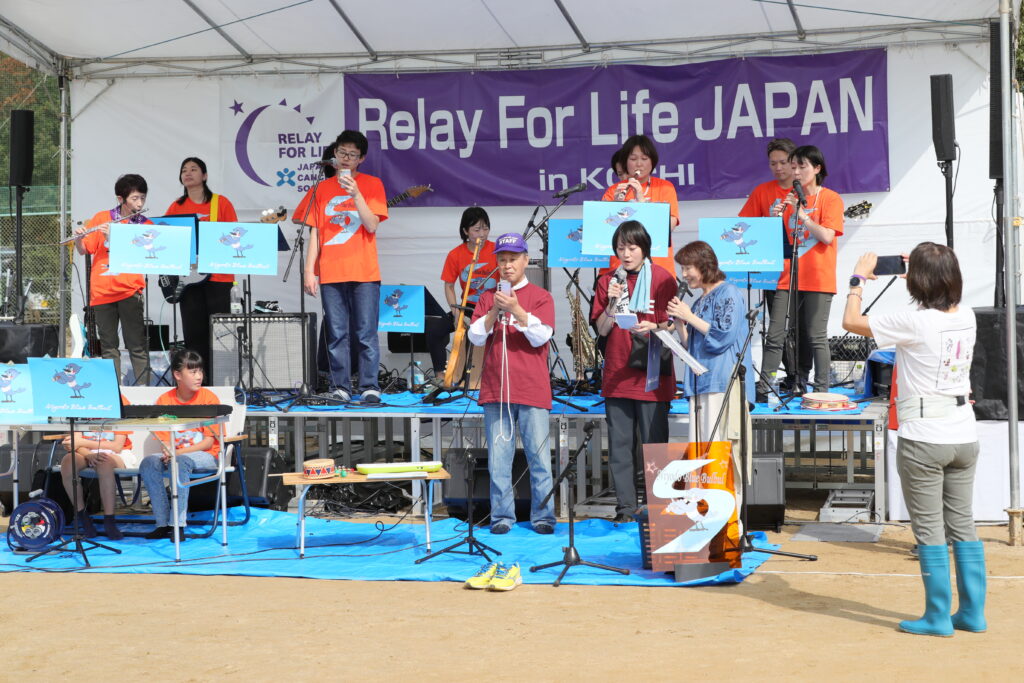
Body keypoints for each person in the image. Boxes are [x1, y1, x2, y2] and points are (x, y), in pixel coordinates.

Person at [843, 243, 984, 637]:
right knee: (963, 523)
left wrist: (857, 279)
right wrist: (922, 279)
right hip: (963, 431)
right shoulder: (967, 315)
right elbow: (936, 301)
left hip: (924, 436)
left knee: (929, 529)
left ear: (918, 281)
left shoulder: (914, 322)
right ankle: (972, 612)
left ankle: (937, 616)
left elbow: (851, 321)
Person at [467, 232, 557, 535]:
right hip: (496, 390)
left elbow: (542, 336)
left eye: (513, 259)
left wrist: (517, 310)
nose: (507, 265)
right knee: (499, 461)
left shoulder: (541, 296)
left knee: (539, 458)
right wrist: (495, 309)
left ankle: (543, 517)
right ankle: (502, 516)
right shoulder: (486, 297)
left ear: (525, 260)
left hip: (531, 389)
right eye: (502, 260)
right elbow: (475, 336)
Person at [590, 220, 677, 523]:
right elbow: (601, 329)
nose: (626, 254)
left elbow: (675, 323)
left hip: (652, 372)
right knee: (620, 446)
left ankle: (656, 509)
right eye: (620, 248)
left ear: (644, 248)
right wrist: (612, 303)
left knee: (654, 446)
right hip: (618, 372)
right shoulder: (607, 281)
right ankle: (625, 509)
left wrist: (655, 326)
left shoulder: (662, 278)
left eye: (632, 248)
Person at [295, 130, 389, 403]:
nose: (346, 158)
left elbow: (372, 224)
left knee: (366, 333)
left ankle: (369, 386)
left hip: (364, 271)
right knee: (337, 333)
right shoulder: (321, 189)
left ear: (361, 159)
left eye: (352, 155)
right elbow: (315, 233)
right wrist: (309, 271)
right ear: (334, 154)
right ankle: (341, 387)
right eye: (342, 153)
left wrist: (356, 193)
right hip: (331, 271)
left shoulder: (372, 184)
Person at [756, 145, 844, 398]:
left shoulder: (830, 198)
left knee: (816, 336)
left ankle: (822, 389)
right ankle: (765, 387)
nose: (795, 172)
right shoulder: (788, 200)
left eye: (801, 166)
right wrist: (773, 219)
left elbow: (827, 236)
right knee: (775, 335)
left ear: (817, 168)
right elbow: (777, 242)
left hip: (818, 276)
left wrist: (802, 215)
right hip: (787, 276)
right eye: (793, 167)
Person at [668, 241, 754, 445]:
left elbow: (724, 336)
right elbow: (692, 348)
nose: (684, 274)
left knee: (719, 446)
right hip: (701, 382)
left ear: (704, 266)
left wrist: (689, 317)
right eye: (682, 269)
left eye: (688, 268)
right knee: (702, 446)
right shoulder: (699, 302)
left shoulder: (728, 292)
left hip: (722, 381)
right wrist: (679, 324)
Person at [739, 138, 808, 393]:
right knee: (778, 328)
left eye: (783, 162)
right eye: (772, 163)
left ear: (794, 163)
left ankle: (801, 376)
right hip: (774, 271)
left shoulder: (806, 190)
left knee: (802, 327)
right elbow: (744, 225)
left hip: (805, 269)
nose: (778, 168)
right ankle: (786, 376)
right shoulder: (762, 191)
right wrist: (770, 220)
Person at [164, 157, 239, 383]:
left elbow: (234, 236)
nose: (187, 173)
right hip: (189, 281)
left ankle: (222, 382)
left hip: (219, 278)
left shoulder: (220, 203)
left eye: (193, 169)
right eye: (184, 170)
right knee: (194, 334)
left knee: (221, 333)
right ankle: (198, 383)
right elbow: (168, 239)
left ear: (204, 176)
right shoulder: (176, 207)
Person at [74, 174, 152, 385]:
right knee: (108, 346)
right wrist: (79, 238)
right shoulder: (102, 218)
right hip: (102, 292)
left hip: (129, 290)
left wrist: (114, 238)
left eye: (142, 198)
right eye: (135, 198)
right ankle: (114, 392)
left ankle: (144, 391)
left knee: (136, 344)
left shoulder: (144, 224)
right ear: (120, 199)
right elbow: (84, 250)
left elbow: (144, 255)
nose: (140, 203)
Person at [139, 350, 223, 540]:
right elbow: (163, 437)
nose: (199, 376)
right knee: (148, 463)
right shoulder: (164, 400)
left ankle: (178, 524)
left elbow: (208, 442)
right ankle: (162, 523)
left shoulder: (209, 399)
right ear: (178, 375)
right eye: (193, 372)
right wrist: (168, 450)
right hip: (176, 455)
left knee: (180, 461)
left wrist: (176, 453)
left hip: (206, 456)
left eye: (200, 371)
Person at [59, 398, 137, 540]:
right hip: (86, 452)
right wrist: (88, 454)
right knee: (68, 462)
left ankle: (109, 520)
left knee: (104, 462)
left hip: (117, 454)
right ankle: (83, 516)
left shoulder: (120, 401)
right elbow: (74, 443)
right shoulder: (79, 403)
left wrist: (83, 442)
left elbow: (117, 446)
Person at [601, 135, 680, 276]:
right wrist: (616, 205)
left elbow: (669, 226)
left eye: (644, 158)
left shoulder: (665, 187)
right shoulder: (613, 191)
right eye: (633, 159)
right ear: (625, 162)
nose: (639, 164)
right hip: (621, 268)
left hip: (658, 267)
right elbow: (604, 230)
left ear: (652, 162)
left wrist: (642, 201)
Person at [441, 207, 498, 316]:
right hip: (469, 307)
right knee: (438, 324)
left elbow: (508, 282)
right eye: (477, 230)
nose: (482, 234)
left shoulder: (497, 251)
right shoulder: (455, 254)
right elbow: (449, 286)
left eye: (485, 229)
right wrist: (456, 312)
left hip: (494, 305)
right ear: (465, 231)